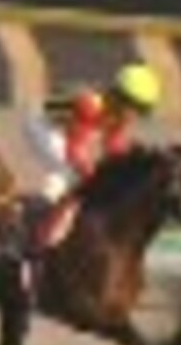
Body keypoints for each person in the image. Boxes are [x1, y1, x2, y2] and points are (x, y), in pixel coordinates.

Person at [20, 62, 162, 250]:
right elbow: (75, 151)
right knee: (69, 170)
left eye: (142, 111)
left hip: (67, 123)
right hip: (40, 123)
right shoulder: (91, 105)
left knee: (82, 172)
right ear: (121, 99)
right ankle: (38, 209)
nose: (136, 116)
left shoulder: (118, 112)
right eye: (137, 108)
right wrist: (91, 174)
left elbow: (115, 146)